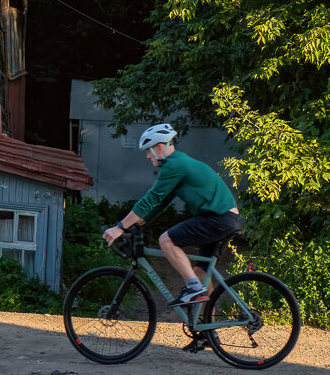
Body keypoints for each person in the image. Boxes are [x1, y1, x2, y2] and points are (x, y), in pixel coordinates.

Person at [101, 123, 240, 306]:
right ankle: (208, 330)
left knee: (166, 240)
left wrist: (121, 227)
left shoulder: (174, 165)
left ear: (159, 147)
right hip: (225, 219)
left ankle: (193, 288)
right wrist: (138, 224)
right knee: (201, 274)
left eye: (149, 151)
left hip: (217, 218)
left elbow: (150, 199)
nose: (148, 156)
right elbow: (160, 204)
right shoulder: (179, 163)